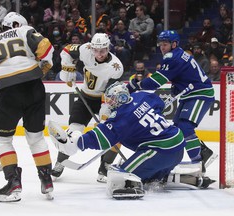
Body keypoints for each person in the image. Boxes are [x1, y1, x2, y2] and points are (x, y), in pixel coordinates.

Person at [48, 82, 215, 199]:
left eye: (111, 100)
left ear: (118, 98)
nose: (110, 103)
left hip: (159, 151)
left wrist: (77, 142)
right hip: (176, 146)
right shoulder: (142, 96)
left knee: (118, 176)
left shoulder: (122, 119)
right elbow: (159, 105)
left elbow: (100, 139)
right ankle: (187, 179)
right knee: (149, 172)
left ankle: (133, 185)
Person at [0, 12, 55, 202]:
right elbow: (46, 47)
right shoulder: (25, 31)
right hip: (33, 86)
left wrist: (4, 91)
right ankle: (47, 181)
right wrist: (44, 66)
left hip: (7, 93)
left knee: (3, 140)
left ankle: (13, 184)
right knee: (36, 137)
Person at [127, 30, 217, 173]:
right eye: (160, 44)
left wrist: (134, 86)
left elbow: (156, 82)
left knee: (185, 127)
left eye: (165, 44)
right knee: (177, 128)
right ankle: (202, 152)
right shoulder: (179, 53)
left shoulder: (172, 58)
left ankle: (199, 162)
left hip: (201, 93)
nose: (162, 47)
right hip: (191, 94)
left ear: (174, 44)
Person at [52, 33, 124, 182]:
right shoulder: (85, 49)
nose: (99, 54)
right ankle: (60, 162)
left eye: (103, 50)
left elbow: (110, 93)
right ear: (91, 48)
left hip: (104, 99)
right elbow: (66, 50)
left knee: (115, 136)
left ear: (108, 48)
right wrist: (68, 71)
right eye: (96, 50)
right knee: (73, 132)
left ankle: (104, 168)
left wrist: (105, 113)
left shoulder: (116, 67)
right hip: (85, 97)